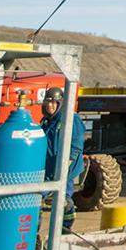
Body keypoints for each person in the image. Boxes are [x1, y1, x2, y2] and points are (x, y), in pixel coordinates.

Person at [41, 86, 86, 232]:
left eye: (54, 102)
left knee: (63, 201)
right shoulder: (46, 122)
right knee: (38, 200)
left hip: (65, 170)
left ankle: (65, 231)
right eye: (48, 102)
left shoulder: (71, 119)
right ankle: (33, 235)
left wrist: (65, 166)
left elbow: (76, 145)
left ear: (61, 103)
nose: (50, 105)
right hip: (48, 169)